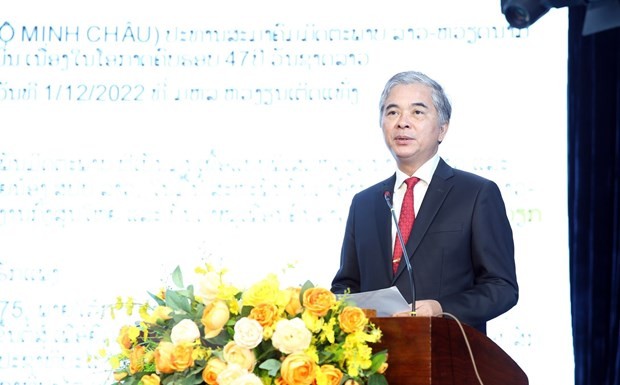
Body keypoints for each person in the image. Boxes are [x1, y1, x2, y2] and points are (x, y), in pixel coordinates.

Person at [330, 70, 518, 334]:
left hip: (448, 358)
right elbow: (346, 285)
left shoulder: (476, 194)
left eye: (417, 112)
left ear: (442, 128)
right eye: (392, 112)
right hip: (374, 365)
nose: (402, 123)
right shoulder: (365, 203)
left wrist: (442, 308)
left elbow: (501, 287)